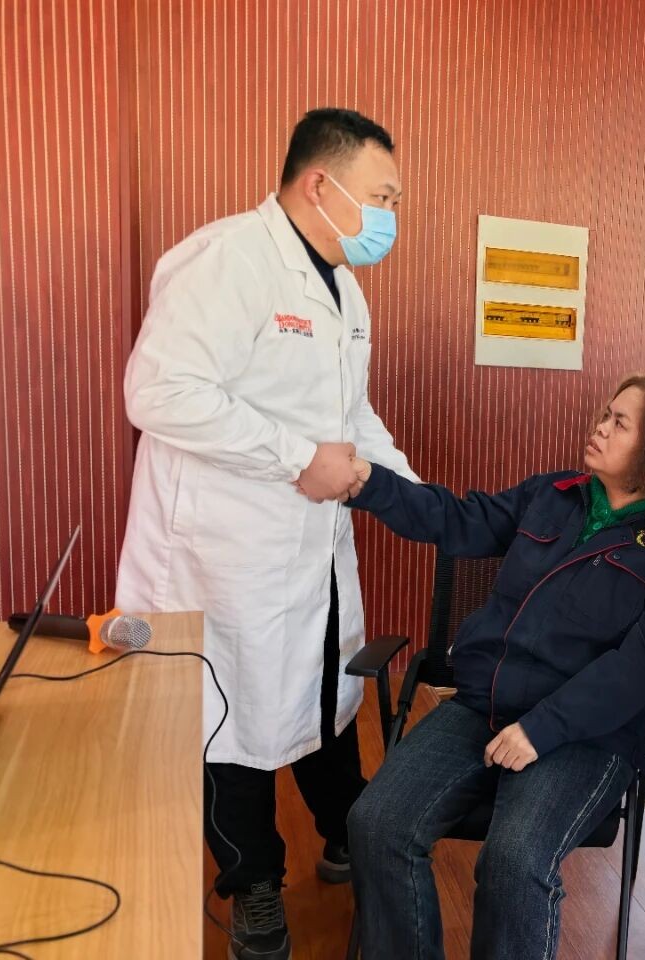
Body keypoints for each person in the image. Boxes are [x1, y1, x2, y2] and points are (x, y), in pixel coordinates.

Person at [115, 108, 420, 960]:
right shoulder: (227, 259)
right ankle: (252, 883)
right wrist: (296, 458)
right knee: (232, 720)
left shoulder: (343, 288)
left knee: (324, 694)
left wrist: (418, 496)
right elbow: (159, 393)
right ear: (320, 184)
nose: (390, 215)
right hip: (222, 556)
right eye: (382, 196)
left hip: (310, 550)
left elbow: (352, 416)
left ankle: (345, 835)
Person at [341, 375, 645, 960]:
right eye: (605, 415)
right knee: (376, 823)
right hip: (485, 704)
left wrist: (541, 729)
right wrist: (368, 481)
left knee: (515, 860)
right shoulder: (554, 494)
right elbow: (458, 519)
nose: (599, 427)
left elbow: (643, 668)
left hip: (585, 736)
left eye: (619, 423)